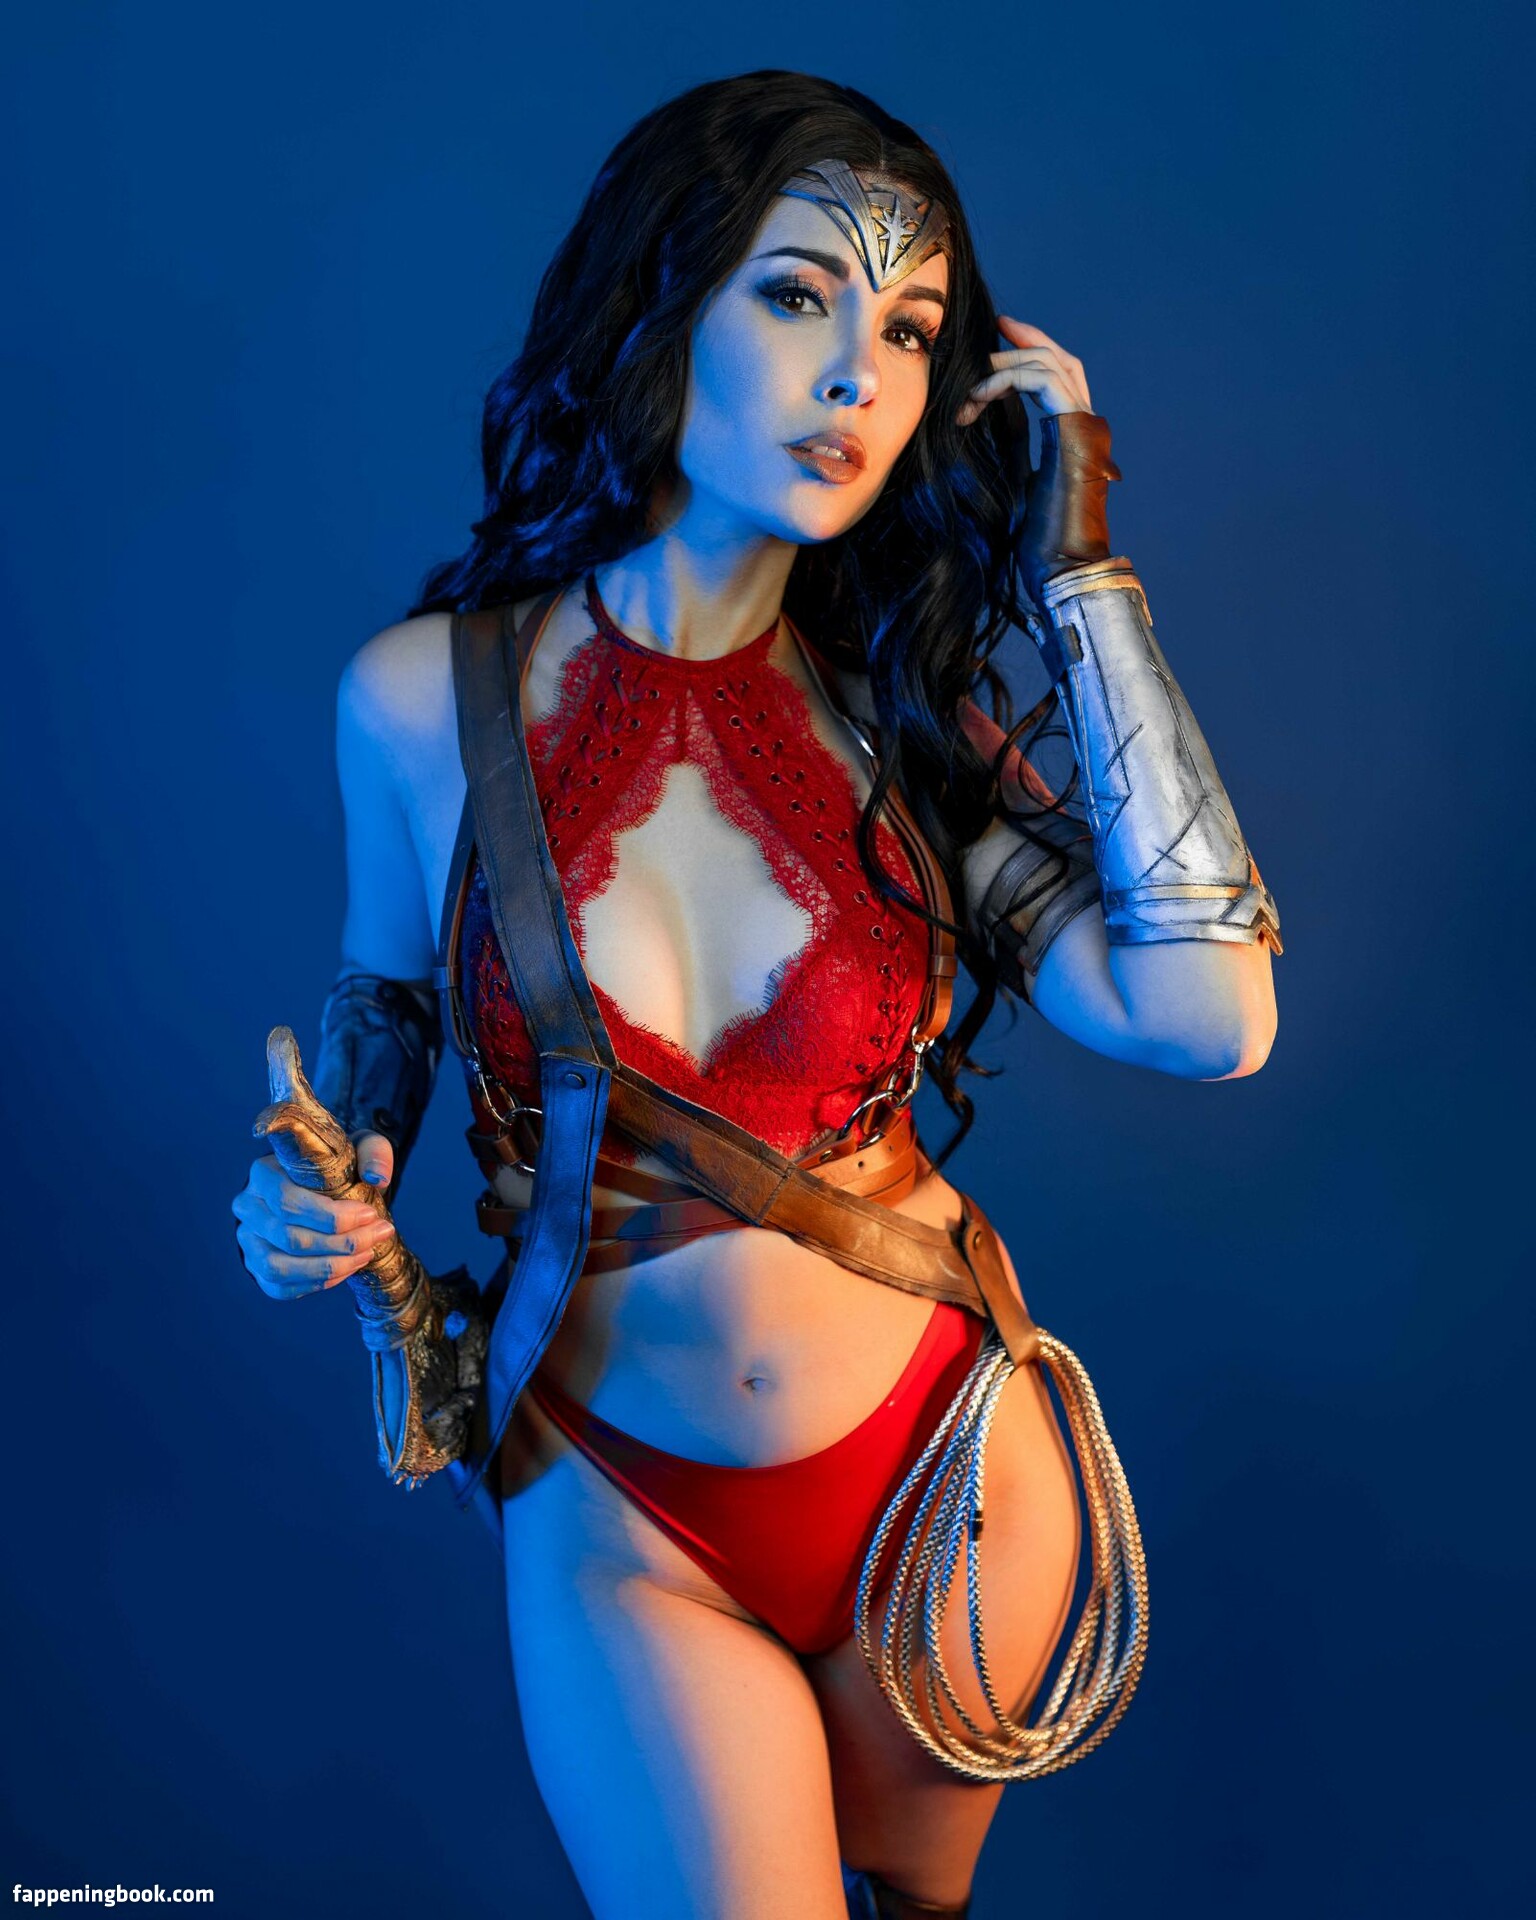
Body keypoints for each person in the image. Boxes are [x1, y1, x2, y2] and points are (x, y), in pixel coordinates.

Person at [231, 71, 1280, 1920]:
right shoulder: (416, 701)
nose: (858, 378)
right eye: (799, 296)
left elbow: (1213, 1020)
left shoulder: (906, 731)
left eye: (911, 331)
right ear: (662, 301)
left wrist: (1082, 570)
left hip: (945, 1479)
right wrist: (332, 1171)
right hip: (617, 1499)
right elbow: (387, 996)